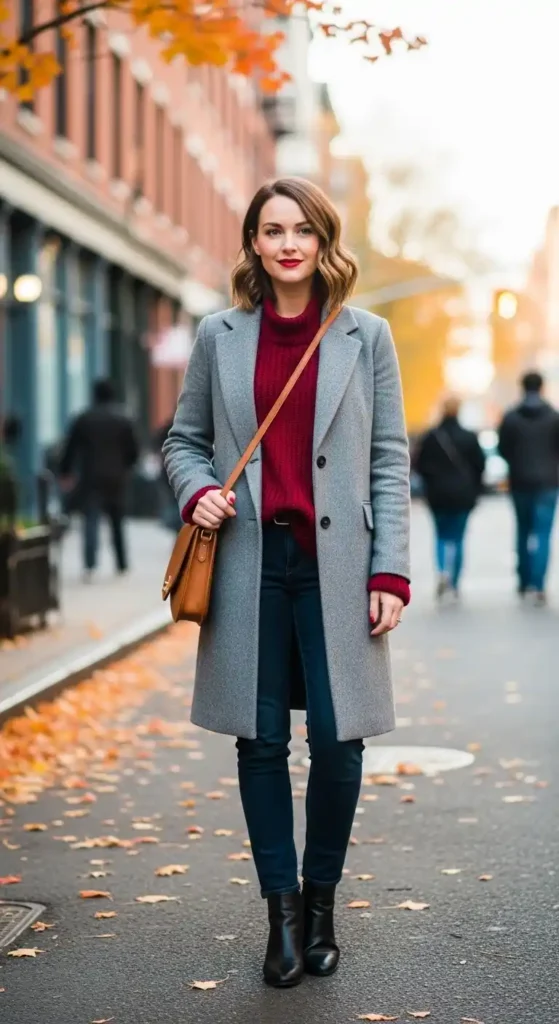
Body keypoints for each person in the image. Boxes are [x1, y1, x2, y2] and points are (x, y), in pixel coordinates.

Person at [163, 177, 410, 989]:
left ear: (323, 240)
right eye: (272, 230)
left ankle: (321, 906)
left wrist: (390, 571)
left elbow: (385, 462)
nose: (288, 243)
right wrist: (199, 491)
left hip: (338, 572)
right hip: (249, 564)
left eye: (302, 228)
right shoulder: (220, 335)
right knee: (260, 742)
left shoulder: (364, 336)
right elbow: (184, 441)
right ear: (254, 244)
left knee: (339, 746)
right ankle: (279, 915)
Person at [59, 378, 139, 580]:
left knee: (91, 520)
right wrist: (127, 467)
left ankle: (90, 565)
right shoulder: (123, 418)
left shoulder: (84, 419)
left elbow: (71, 448)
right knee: (117, 521)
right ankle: (122, 564)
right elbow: (133, 451)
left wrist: (65, 472)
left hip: (91, 476)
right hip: (116, 477)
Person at [414, 396, 485, 599]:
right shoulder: (469, 437)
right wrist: (475, 489)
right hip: (463, 495)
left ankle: (443, 571)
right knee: (458, 537)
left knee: (441, 535)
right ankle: (454, 582)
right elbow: (480, 465)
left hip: (438, 495)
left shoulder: (431, 437)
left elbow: (419, 466)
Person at [498, 371, 559, 604]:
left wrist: (517, 462)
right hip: (547, 483)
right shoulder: (553, 416)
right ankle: (539, 584)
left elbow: (503, 448)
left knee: (523, 531)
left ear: (522, 387)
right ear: (542, 387)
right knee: (543, 534)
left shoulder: (511, 417)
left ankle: (523, 582)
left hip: (520, 482)